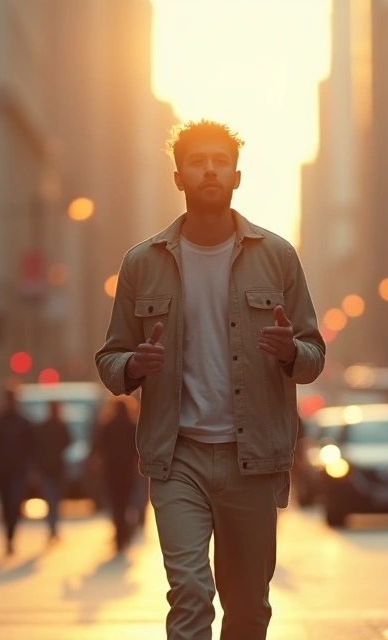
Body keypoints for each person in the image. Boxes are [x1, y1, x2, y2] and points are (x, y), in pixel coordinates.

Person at [95, 120, 325, 640]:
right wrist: (135, 366)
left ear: (237, 176)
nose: (209, 170)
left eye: (219, 160)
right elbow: (110, 359)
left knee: (248, 610)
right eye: (197, 161)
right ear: (178, 177)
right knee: (191, 592)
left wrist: (291, 352)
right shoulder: (141, 262)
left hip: (254, 457)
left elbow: (314, 356)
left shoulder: (278, 256)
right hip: (177, 455)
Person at [0, 385, 35, 555]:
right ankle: (8, 535)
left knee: (15, 503)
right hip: (2, 470)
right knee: (6, 505)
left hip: (18, 470)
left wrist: (31, 469)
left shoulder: (23, 422)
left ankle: (11, 533)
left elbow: (32, 448)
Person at [91, 396, 142, 552]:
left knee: (115, 503)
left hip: (111, 469)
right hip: (127, 470)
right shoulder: (133, 425)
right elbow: (138, 448)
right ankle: (124, 533)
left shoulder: (107, 425)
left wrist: (97, 462)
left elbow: (99, 447)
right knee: (126, 502)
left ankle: (120, 533)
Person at [35, 401, 72, 540]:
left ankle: (52, 525)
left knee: (52, 499)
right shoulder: (59, 426)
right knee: (53, 499)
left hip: (51, 469)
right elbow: (68, 441)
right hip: (54, 468)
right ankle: (53, 526)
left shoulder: (45, 427)